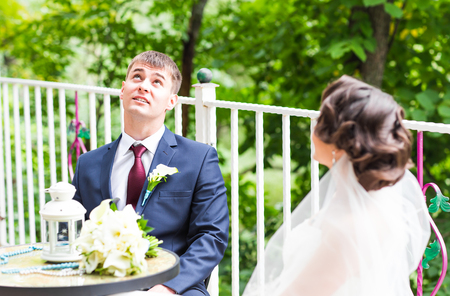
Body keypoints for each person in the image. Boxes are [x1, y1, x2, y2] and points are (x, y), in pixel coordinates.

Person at [243, 75, 431, 296]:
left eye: (320, 119)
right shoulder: (361, 198)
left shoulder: (348, 228)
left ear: (340, 143)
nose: (313, 126)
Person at [72, 51, 229, 296]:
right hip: (101, 283)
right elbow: (75, 232)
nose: (144, 86)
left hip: (175, 285)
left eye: (157, 81)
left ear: (171, 101)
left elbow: (211, 237)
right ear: (123, 90)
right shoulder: (88, 164)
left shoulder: (199, 158)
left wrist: (165, 289)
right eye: (137, 77)